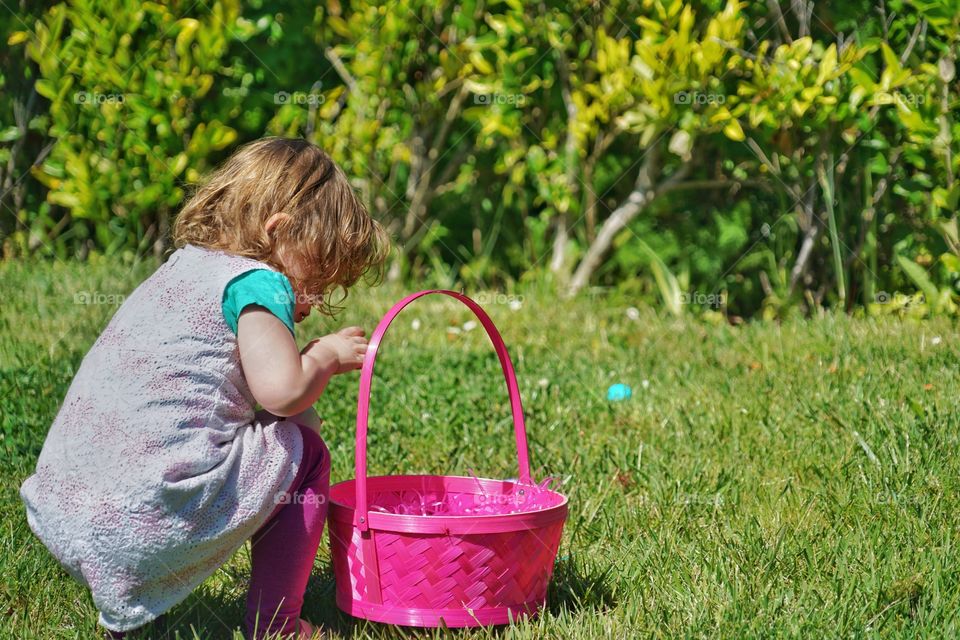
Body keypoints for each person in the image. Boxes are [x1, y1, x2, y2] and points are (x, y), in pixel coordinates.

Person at [20, 137, 389, 639]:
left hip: (68, 507)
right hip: (144, 513)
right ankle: (277, 626)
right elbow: (281, 393)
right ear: (278, 232)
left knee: (269, 435)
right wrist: (321, 357)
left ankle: (134, 610)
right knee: (306, 454)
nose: (317, 296)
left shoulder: (187, 266)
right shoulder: (260, 282)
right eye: (318, 273)